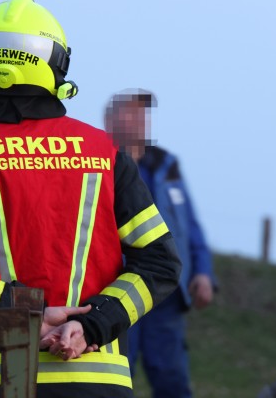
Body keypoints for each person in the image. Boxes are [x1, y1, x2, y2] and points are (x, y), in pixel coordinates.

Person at [0, 0, 181, 398]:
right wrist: (93, 325)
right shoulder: (105, 154)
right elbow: (161, 264)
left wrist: (27, 312)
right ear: (55, 64)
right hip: (94, 382)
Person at [105, 88, 215, 398]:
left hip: (166, 291)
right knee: (115, 378)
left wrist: (203, 272)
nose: (139, 120)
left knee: (172, 380)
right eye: (131, 112)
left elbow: (189, 224)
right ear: (110, 119)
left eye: (143, 114)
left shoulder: (167, 166)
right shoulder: (97, 163)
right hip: (117, 291)